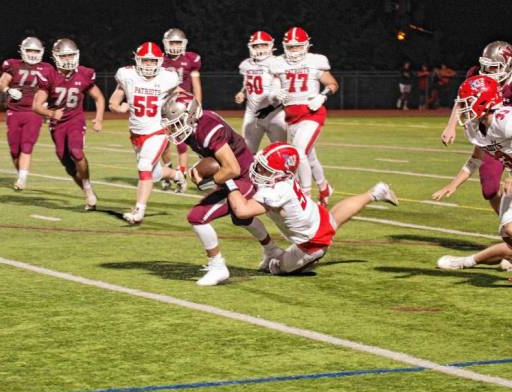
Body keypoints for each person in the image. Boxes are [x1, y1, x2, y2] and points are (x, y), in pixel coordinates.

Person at [161, 92, 284, 286]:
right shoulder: (195, 128)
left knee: (198, 217)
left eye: (177, 122)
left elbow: (232, 168)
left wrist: (209, 181)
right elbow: (214, 159)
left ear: (191, 115)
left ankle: (218, 266)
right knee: (241, 218)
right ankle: (273, 251)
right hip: (237, 174)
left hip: (241, 176)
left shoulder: (208, 128)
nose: (173, 128)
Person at [225, 142, 399, 274]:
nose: (258, 170)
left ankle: (306, 258)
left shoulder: (278, 189)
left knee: (276, 267)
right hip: (315, 216)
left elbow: (243, 210)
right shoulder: (281, 179)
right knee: (333, 219)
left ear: (280, 173)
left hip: (312, 242)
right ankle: (376, 192)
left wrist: (227, 179)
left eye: (264, 169)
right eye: (260, 166)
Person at [432, 75, 512, 271]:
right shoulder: (476, 127)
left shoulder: (506, 120)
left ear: (485, 100)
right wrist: (453, 184)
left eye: (468, 101)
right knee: (508, 233)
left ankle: (462, 262)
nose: (463, 106)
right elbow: (476, 159)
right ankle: (466, 262)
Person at [108, 42, 187, 224]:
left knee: (144, 167)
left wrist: (190, 108)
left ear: (159, 61)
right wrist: (117, 107)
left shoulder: (167, 78)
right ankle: (177, 175)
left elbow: (181, 94)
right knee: (156, 173)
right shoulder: (127, 75)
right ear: (137, 60)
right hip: (136, 132)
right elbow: (116, 98)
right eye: (145, 61)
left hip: (157, 130)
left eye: (152, 61)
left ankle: (139, 211)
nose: (149, 65)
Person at [268, 27, 338, 207]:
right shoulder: (278, 63)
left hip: (312, 113)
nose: (294, 51)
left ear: (306, 45)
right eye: (290, 47)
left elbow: (332, 83)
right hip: (291, 117)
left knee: (298, 152)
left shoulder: (315, 61)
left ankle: (304, 194)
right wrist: (275, 94)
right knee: (309, 157)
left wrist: (322, 95)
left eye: (298, 47)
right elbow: (273, 91)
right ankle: (324, 188)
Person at [440, 41, 512, 214]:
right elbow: (462, 98)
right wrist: (451, 125)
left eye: (493, 67)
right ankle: (507, 227)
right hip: (493, 133)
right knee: (489, 189)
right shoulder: (475, 75)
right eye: (485, 67)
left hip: (507, 129)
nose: (488, 72)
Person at [32, 38, 104, 210]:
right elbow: (36, 105)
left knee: (76, 151)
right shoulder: (49, 75)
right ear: (56, 57)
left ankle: (87, 187)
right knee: (67, 163)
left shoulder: (84, 73)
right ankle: (87, 192)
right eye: (64, 56)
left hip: (75, 120)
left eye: (71, 55)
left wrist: (99, 118)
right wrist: (50, 113)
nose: (68, 59)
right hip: (57, 123)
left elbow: (99, 97)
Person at [0, 37, 55, 190]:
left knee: (27, 145)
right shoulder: (13, 65)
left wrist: (49, 105)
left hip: (33, 112)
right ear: (22, 51)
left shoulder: (47, 68)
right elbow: (1, 83)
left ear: (41, 52)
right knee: (14, 149)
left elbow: (53, 89)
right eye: (29, 50)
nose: (32, 54)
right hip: (14, 111)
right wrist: (8, 90)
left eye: (35, 51)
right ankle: (21, 173)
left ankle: (22, 179)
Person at [159, 28, 202, 192]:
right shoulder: (160, 60)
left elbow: (196, 85)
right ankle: (169, 168)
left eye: (178, 42)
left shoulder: (190, 59)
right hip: (163, 104)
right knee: (163, 142)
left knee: (182, 141)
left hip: (182, 105)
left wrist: (197, 104)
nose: (175, 46)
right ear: (165, 43)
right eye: (172, 42)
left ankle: (181, 172)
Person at [235, 30, 287, 153]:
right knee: (247, 153)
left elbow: (283, 88)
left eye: (263, 45)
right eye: (256, 46)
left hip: (275, 114)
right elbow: (247, 84)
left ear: (270, 46)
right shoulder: (246, 64)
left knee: (280, 151)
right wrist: (242, 93)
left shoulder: (277, 62)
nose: (260, 48)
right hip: (252, 114)